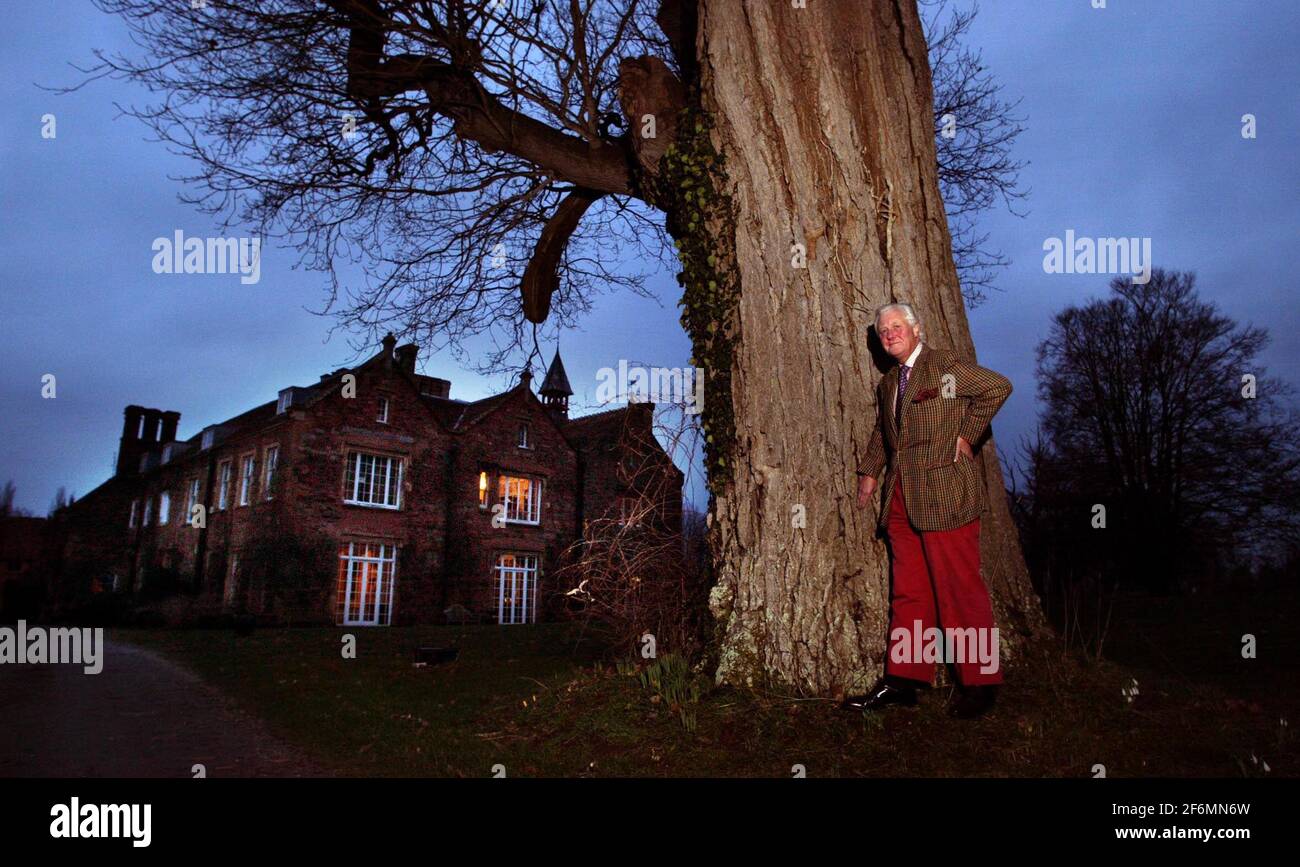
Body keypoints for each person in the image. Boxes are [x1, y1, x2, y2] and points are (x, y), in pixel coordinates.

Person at [845, 303, 1012, 719]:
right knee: (910, 593)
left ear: (916, 329)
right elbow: (883, 435)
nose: (890, 334)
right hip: (901, 500)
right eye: (883, 330)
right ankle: (904, 680)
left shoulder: (943, 367)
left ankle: (980, 682)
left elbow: (997, 387)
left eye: (897, 326)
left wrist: (967, 436)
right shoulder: (888, 384)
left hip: (946, 495)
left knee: (959, 589)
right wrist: (869, 472)